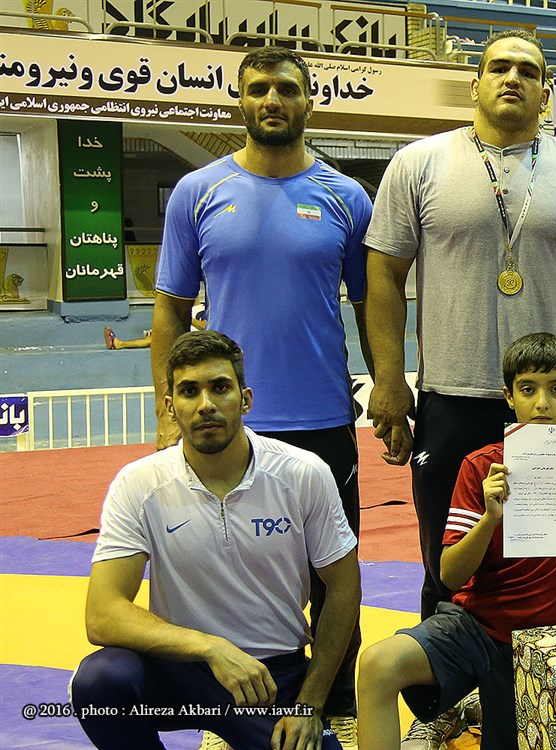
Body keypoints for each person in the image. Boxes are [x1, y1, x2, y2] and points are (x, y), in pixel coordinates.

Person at [364, 24, 556, 678]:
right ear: (475, 84)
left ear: (547, 94)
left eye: (528, 70)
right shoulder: (418, 164)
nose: (512, 78)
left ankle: (534, 697)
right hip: (451, 399)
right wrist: (388, 378)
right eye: (499, 67)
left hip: (547, 407)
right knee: (445, 563)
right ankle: (442, 699)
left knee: (549, 561)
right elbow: (384, 274)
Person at [151, 47, 373, 744]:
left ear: (309, 100)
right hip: (222, 424)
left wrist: (391, 391)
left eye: (285, 89)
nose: (271, 100)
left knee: (332, 575)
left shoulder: (347, 197)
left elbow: (372, 305)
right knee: (226, 571)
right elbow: (169, 309)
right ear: (240, 101)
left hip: (323, 418)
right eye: (257, 89)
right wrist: (167, 414)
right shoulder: (197, 192)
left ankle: (333, 705)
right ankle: (230, 704)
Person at [71, 331, 361, 750]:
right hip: (179, 669)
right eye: (189, 391)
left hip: (271, 677)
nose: (205, 404)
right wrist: (210, 648)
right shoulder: (139, 484)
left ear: (245, 400)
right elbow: (102, 614)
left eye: (220, 387)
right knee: (100, 681)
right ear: (170, 406)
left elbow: (344, 587)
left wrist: (310, 704)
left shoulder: (302, 473)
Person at [357, 333, 556, 750]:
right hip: (475, 627)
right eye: (528, 390)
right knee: (378, 664)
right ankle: (459, 706)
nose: (542, 404)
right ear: (509, 396)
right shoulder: (481, 465)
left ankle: (482, 708)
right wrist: (489, 518)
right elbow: (449, 574)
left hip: (549, 637)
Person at [105, 304, 207, 350]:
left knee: (153, 339)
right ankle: (119, 343)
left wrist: (184, 317)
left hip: (188, 336)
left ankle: (120, 344)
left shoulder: (211, 314)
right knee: (153, 336)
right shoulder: (199, 306)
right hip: (177, 326)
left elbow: (203, 326)